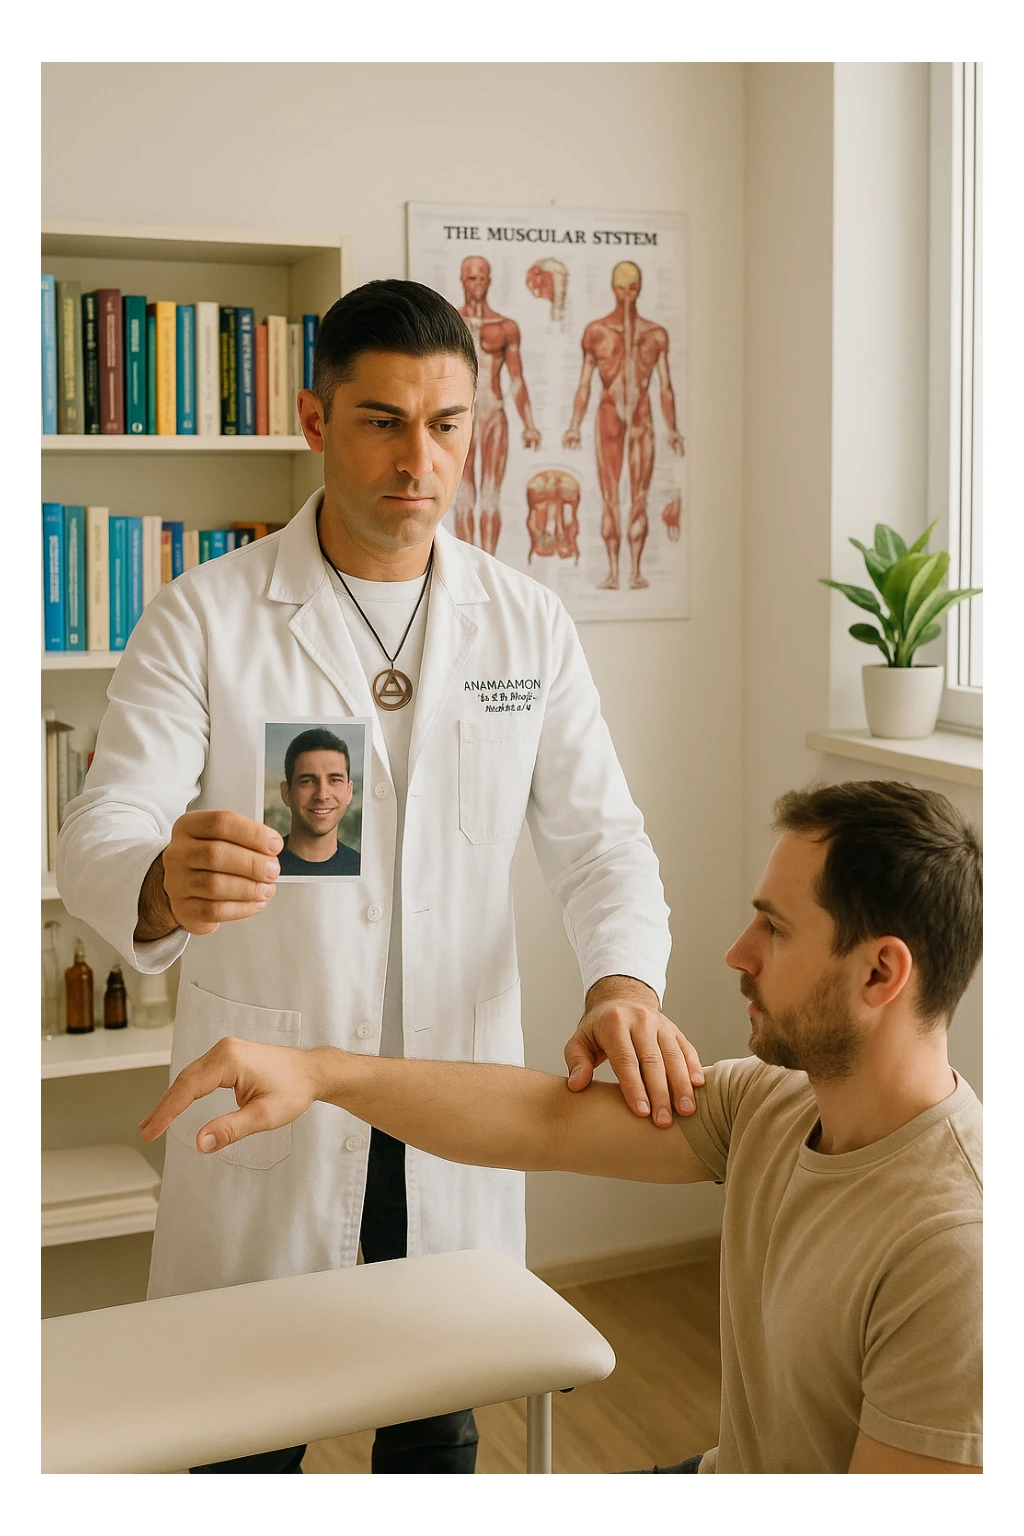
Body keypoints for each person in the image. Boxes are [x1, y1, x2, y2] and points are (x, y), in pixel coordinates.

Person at [56, 277, 703, 1475]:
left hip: (452, 1102)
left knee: (437, 1432)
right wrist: (158, 881)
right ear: (315, 418)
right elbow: (103, 824)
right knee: (242, 1441)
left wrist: (624, 984)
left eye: (447, 425)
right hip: (272, 1107)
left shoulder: (526, 625)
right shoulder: (206, 617)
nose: (420, 459)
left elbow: (601, 840)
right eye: (383, 422)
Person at [141, 781, 983, 1476]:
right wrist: (321, 1074)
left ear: (881, 972)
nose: (738, 952)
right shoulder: (774, 1106)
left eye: (776, 927)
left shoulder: (955, 1254)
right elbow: (541, 1121)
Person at [563, 260, 685, 591]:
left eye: (633, 287)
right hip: (608, 417)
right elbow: (585, 384)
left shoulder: (655, 335)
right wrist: (574, 425)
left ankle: (636, 572)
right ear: (613, 289)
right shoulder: (596, 332)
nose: (627, 294)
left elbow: (666, 387)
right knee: (611, 498)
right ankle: (615, 572)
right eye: (622, 287)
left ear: (640, 288)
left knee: (639, 496)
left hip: (642, 418)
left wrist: (673, 429)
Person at [453, 255, 541, 554]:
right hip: (460, 416)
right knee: (464, 495)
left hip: (493, 412)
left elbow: (517, 379)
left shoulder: (505, 327)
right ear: (462, 281)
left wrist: (529, 425)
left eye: (481, 278)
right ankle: (465, 567)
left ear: (489, 280)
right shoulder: (450, 323)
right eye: (471, 278)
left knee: (491, 496)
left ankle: (487, 565)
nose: (477, 284)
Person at [275, 728, 360, 877]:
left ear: (349, 791)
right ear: (286, 793)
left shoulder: (361, 867)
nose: (322, 795)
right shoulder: (263, 866)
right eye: (307, 781)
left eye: (335, 780)